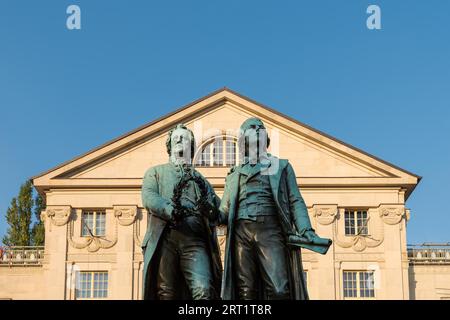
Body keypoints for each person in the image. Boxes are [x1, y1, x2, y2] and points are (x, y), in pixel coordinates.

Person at [219, 117, 331, 300]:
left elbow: (295, 200)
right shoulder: (234, 174)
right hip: (241, 232)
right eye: (252, 127)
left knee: (279, 287)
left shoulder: (282, 166)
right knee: (245, 291)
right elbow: (224, 210)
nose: (257, 129)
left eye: (260, 128)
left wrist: (306, 229)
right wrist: (209, 210)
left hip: (270, 229)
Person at [141, 123, 222, 300]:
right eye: (175, 137)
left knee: (204, 290)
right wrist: (169, 209)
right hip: (166, 236)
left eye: (184, 138)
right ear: (169, 145)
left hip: (195, 239)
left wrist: (210, 209)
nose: (179, 139)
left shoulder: (201, 180)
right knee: (166, 292)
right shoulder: (156, 172)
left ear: (191, 146)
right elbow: (149, 197)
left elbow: (220, 210)